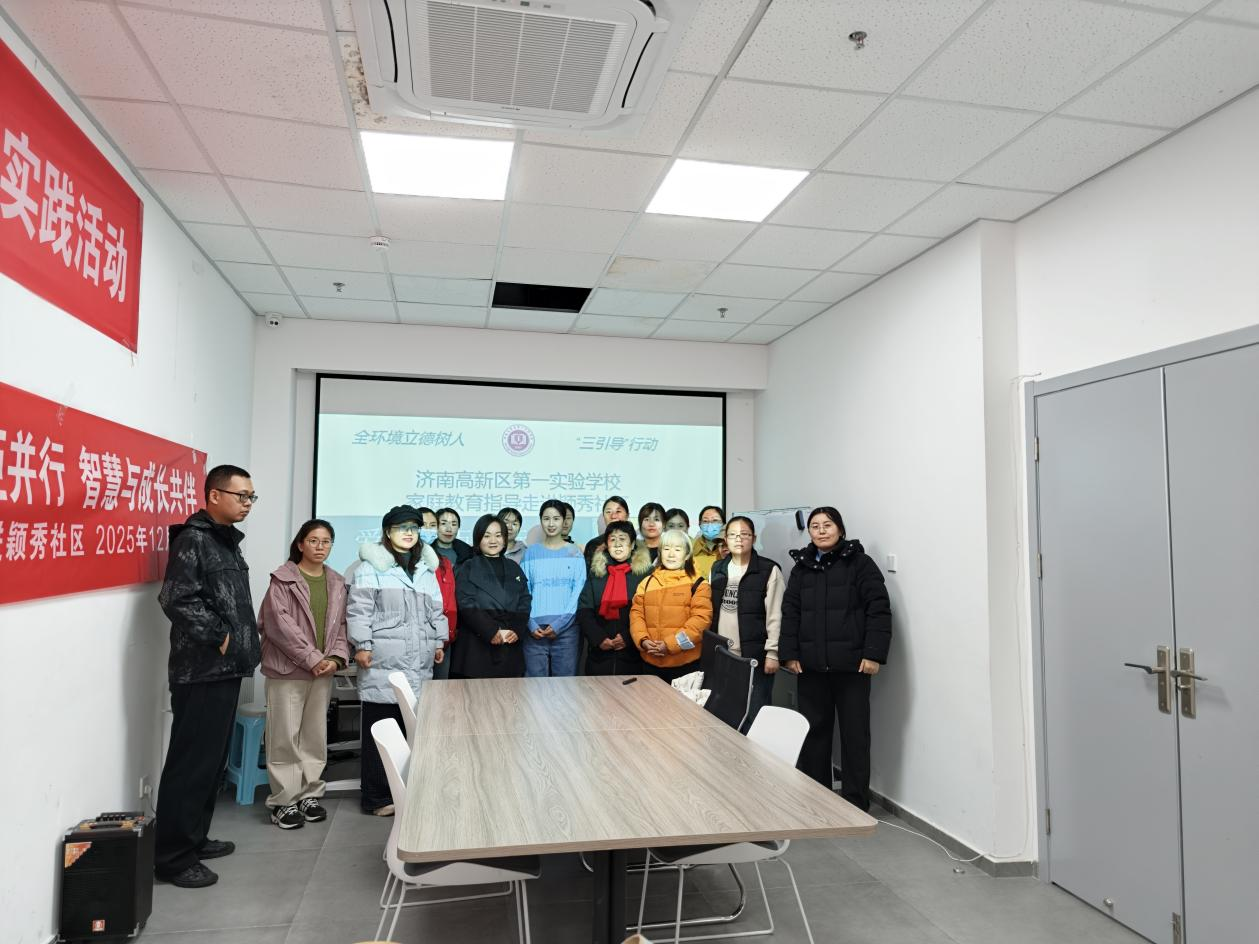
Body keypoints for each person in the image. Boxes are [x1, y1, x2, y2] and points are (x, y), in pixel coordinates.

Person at [154, 464, 262, 888]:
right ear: (214, 495)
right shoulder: (193, 539)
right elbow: (176, 598)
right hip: (200, 671)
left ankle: (195, 839)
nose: (248, 503)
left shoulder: (225, 541)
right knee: (191, 764)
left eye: (252, 497)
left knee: (210, 763)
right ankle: (173, 858)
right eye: (241, 495)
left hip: (225, 668)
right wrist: (220, 637)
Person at [780, 507, 891, 811]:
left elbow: (878, 609)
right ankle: (818, 799)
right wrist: (789, 654)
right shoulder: (801, 568)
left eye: (827, 525)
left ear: (840, 529)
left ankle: (855, 803)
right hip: (810, 666)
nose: (821, 531)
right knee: (814, 733)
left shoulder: (860, 564)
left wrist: (873, 653)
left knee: (855, 736)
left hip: (852, 666)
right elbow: (790, 614)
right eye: (815, 526)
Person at [348, 506, 448, 816]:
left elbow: (436, 611)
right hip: (382, 660)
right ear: (387, 532)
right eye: (401, 527)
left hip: (418, 661)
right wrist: (362, 645)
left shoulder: (425, 569)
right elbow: (359, 610)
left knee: (411, 730)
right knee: (381, 730)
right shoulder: (370, 567)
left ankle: (408, 792)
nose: (408, 533)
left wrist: (439, 640)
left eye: (414, 528)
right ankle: (376, 797)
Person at [258, 519, 350, 829]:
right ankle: (284, 801)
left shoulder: (336, 581)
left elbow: (342, 626)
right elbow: (279, 626)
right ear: (300, 544)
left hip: (322, 672)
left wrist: (336, 658)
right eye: (313, 540)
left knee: (314, 736)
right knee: (284, 737)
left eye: (326, 541)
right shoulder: (283, 580)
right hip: (288, 670)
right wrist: (313, 658)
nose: (320, 547)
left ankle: (309, 793)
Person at [707, 516, 783, 730]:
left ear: (754, 538)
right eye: (732, 535)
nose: (738, 539)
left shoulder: (769, 570)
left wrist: (773, 653)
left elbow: (776, 614)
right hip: (723, 655)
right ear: (725, 539)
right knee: (724, 714)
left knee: (755, 715)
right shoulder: (717, 568)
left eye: (744, 535)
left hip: (754, 656)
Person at [451, 514, 530, 679]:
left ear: (505, 539)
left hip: (509, 642)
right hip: (477, 646)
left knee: (509, 694)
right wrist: (490, 630)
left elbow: (524, 600)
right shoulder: (468, 567)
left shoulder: (514, 567)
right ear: (478, 539)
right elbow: (466, 603)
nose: (493, 541)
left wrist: (517, 628)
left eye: (498, 535)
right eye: (487, 536)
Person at [629, 528, 712, 682]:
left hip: (685, 665)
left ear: (687, 555)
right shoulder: (646, 583)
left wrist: (670, 645)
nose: (671, 554)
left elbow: (700, 622)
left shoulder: (699, 584)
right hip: (650, 662)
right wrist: (643, 640)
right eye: (666, 549)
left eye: (677, 549)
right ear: (660, 553)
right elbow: (636, 615)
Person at [519, 500, 586, 677]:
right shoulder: (530, 553)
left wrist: (559, 624)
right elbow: (524, 591)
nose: (551, 523)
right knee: (534, 686)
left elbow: (578, 592)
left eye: (556, 518)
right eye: (546, 518)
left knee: (564, 687)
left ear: (564, 521)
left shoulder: (575, 553)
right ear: (541, 520)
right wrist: (530, 624)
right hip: (534, 631)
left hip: (567, 631)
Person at [577, 521, 651, 676]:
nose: (617, 544)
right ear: (606, 545)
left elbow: (650, 613)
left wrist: (627, 637)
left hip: (633, 656)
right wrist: (599, 638)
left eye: (622, 539)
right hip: (599, 655)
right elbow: (584, 610)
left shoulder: (644, 574)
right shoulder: (597, 573)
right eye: (612, 539)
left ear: (632, 544)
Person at [417, 506, 457, 680]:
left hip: (442, 642)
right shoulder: (402, 562)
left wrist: (446, 637)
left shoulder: (444, 563)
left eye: (432, 525)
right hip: (414, 641)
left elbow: (449, 602)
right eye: (423, 525)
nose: (428, 530)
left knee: (440, 691)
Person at [584, 495, 630, 565]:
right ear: (603, 516)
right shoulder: (593, 545)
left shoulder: (637, 545)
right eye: (608, 512)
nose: (613, 516)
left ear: (627, 515)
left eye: (618, 511)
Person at [690, 505, 726, 579]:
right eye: (705, 521)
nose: (710, 525)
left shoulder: (728, 548)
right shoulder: (690, 547)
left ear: (723, 523)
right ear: (700, 525)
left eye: (715, 520)